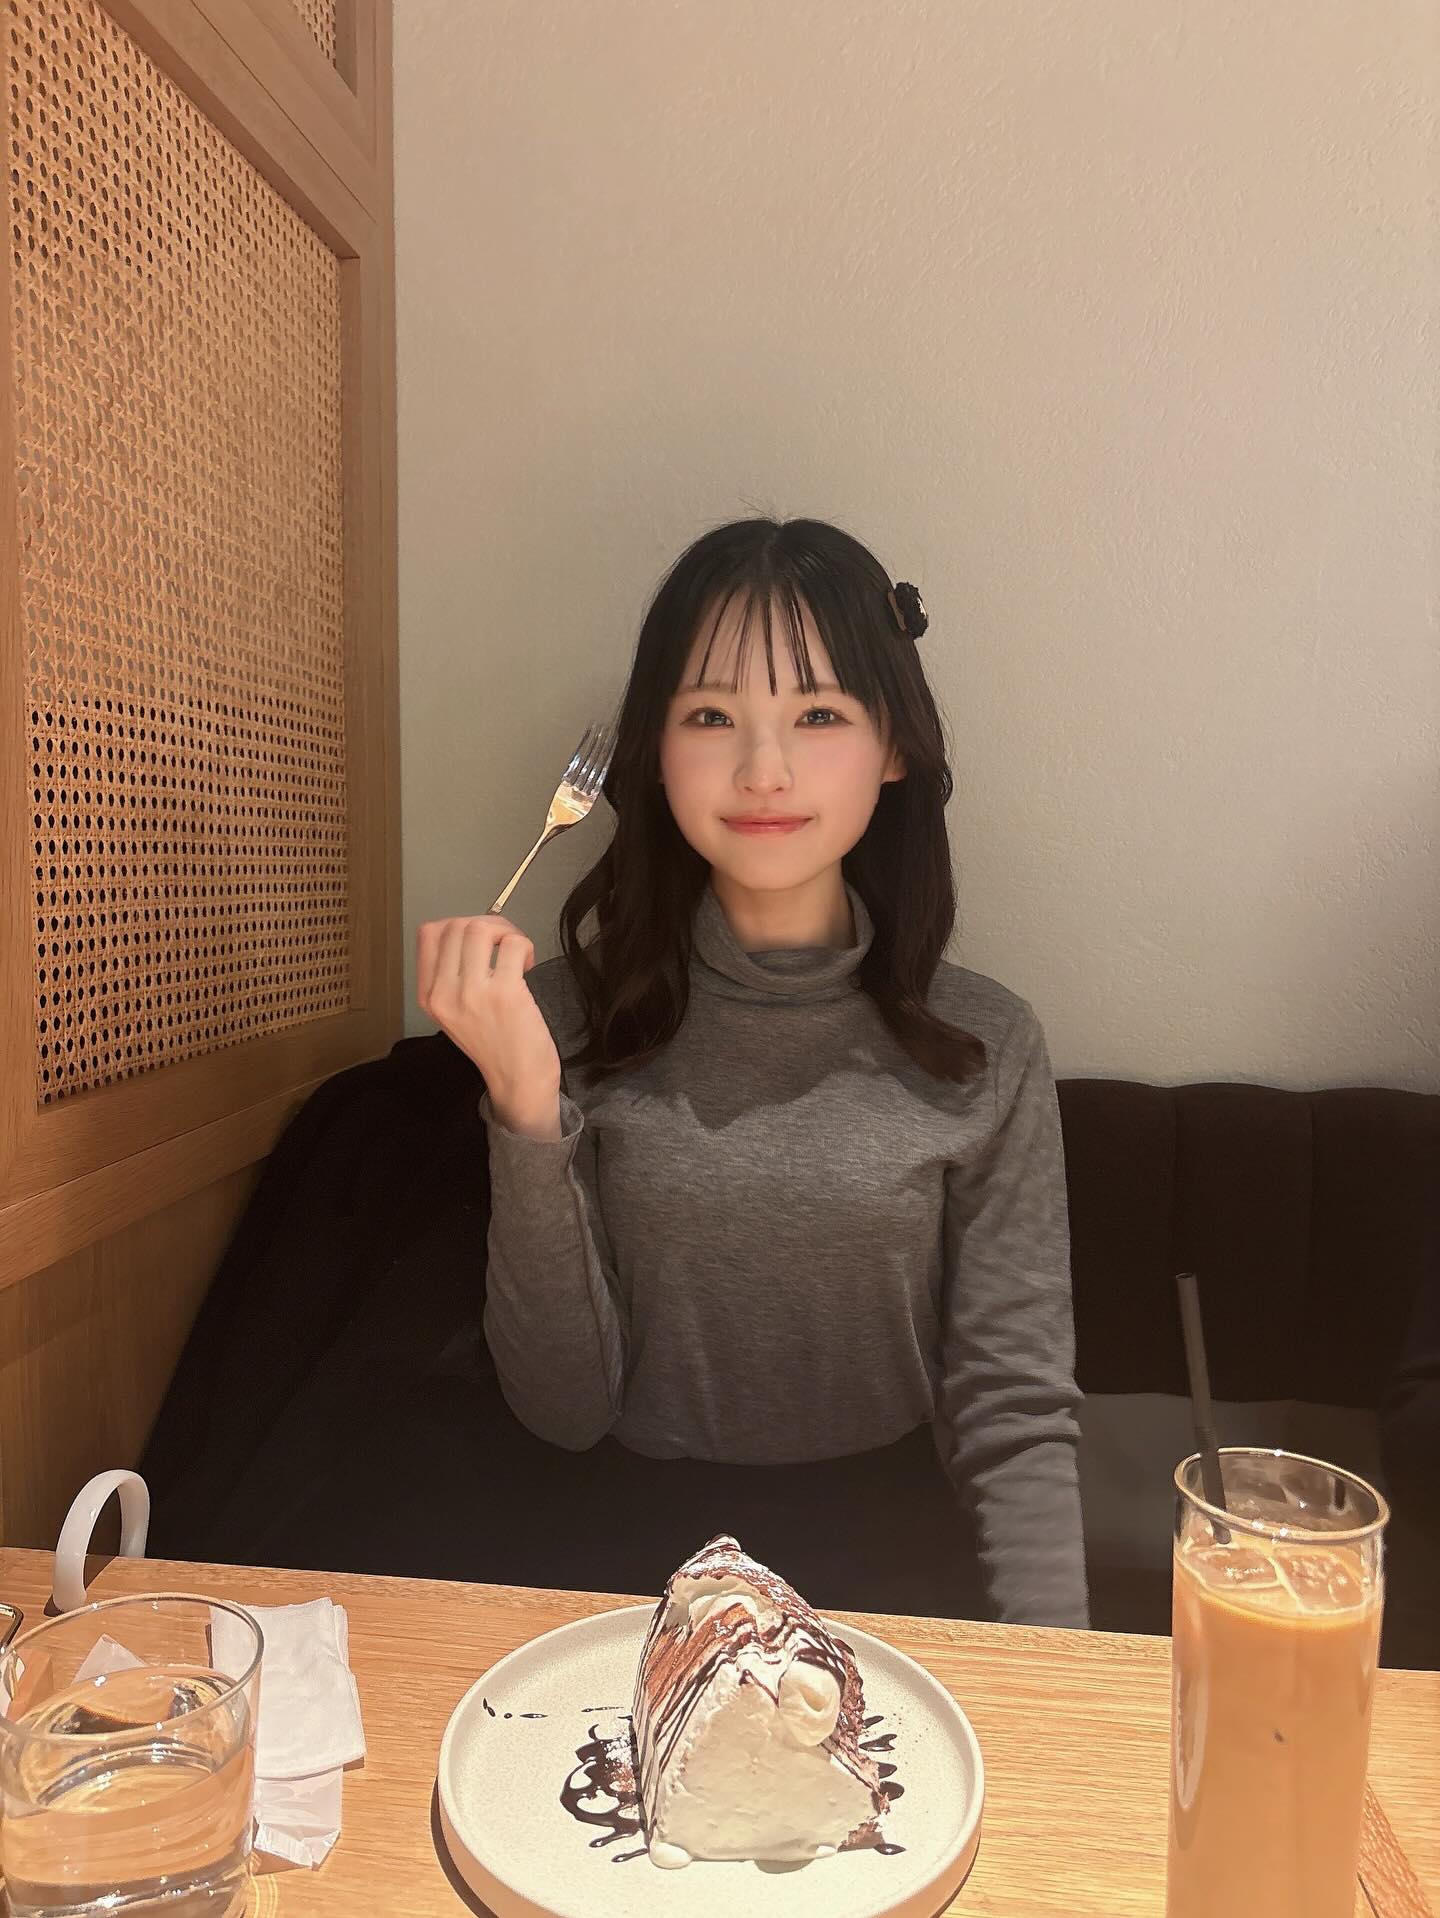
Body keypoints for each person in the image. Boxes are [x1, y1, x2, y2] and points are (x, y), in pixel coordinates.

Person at [417, 516, 1088, 1627]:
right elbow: (565, 1414)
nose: (763, 770)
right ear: (655, 749)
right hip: (625, 1580)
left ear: (894, 745)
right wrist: (526, 1108)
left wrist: (1061, 1675)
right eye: (711, 716)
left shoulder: (988, 1041)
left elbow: (1014, 1409)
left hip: (893, 1574)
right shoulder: (555, 1023)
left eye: (818, 714)